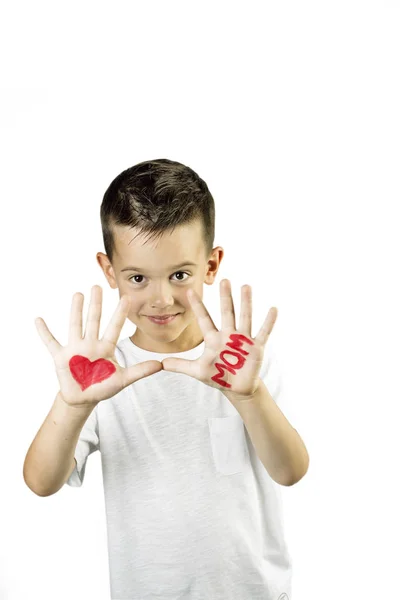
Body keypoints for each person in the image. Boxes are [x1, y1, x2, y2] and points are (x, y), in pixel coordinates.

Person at [23, 158, 309, 600]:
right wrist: (73, 405)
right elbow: (41, 482)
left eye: (180, 274)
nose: (161, 298)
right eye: (137, 277)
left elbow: (290, 471)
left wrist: (249, 396)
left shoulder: (243, 363)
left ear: (211, 265)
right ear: (108, 270)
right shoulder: (102, 375)